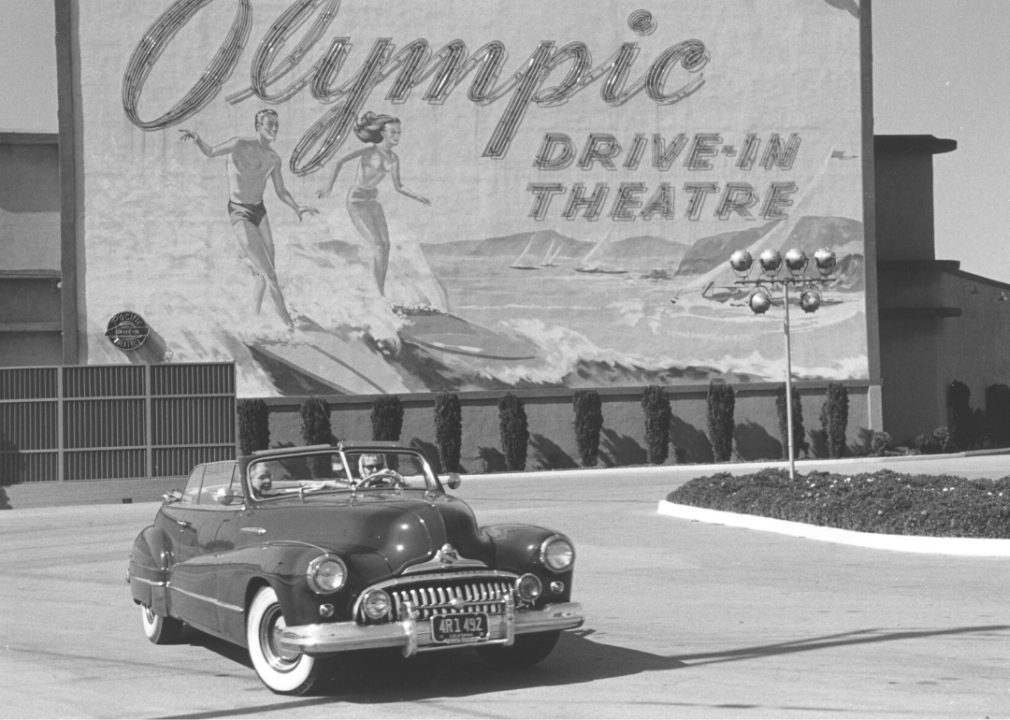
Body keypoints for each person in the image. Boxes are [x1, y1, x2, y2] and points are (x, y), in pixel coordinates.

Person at [180, 109, 318, 329]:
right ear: (258, 125)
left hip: (259, 211)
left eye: (276, 125)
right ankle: (289, 327)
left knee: (267, 269)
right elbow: (211, 152)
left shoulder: (274, 158)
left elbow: (281, 191)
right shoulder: (239, 145)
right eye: (269, 124)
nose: (274, 129)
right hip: (240, 212)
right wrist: (198, 139)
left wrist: (297, 207)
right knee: (270, 275)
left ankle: (254, 313)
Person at [317, 112, 448, 309]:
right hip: (356, 201)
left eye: (399, 132)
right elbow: (339, 161)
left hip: (373, 201)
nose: (397, 135)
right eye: (392, 131)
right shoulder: (369, 149)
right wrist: (329, 186)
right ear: (382, 133)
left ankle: (381, 292)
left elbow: (399, 186)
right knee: (377, 245)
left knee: (386, 246)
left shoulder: (394, 159)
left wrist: (418, 196)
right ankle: (378, 296)